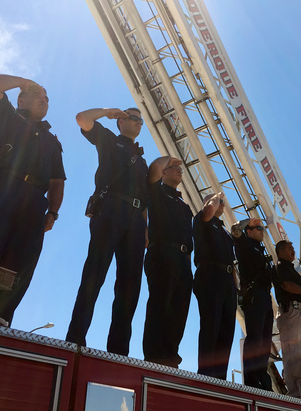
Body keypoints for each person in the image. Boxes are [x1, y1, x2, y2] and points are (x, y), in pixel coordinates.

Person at [0, 74, 65, 326]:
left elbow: (57, 181)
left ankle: (0, 317)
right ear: (21, 99)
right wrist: (24, 80)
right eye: (38, 95)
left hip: (34, 201)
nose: (44, 100)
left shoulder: (52, 141)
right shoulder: (4, 116)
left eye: (47, 98)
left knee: (23, 260)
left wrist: (52, 213)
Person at [66, 107, 148, 356]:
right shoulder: (109, 140)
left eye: (141, 121)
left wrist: (145, 229)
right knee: (95, 273)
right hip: (110, 210)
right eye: (135, 119)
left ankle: (118, 350)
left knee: (130, 285)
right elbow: (81, 118)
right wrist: (107, 112)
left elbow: (144, 199)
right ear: (122, 121)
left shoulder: (142, 160)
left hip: (136, 220)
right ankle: (75, 339)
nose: (139, 124)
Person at [142, 156, 193, 368]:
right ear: (164, 173)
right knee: (160, 305)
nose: (180, 171)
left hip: (183, 260)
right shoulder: (156, 193)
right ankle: (154, 356)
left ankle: (171, 356)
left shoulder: (184, 205)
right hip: (162, 253)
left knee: (179, 310)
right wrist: (167, 159)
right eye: (174, 168)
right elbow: (153, 168)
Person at [192, 192, 237, 379]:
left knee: (227, 331)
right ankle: (205, 375)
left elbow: (232, 262)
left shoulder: (225, 231)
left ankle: (220, 378)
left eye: (223, 201)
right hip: (210, 276)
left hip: (227, 281)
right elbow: (208, 209)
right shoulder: (202, 219)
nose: (222, 203)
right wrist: (214, 197)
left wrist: (235, 285)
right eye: (220, 201)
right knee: (211, 326)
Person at [232, 218, 274, 391]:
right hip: (255, 295)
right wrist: (247, 221)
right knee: (255, 338)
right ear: (249, 231)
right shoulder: (243, 244)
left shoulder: (259, 249)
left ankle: (262, 378)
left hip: (265, 295)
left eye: (262, 228)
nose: (262, 230)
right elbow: (235, 230)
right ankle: (251, 380)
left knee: (265, 341)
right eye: (258, 228)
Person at [274, 240, 301, 400]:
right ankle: (295, 395)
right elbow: (285, 285)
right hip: (292, 311)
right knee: (294, 354)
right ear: (280, 251)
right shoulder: (280, 267)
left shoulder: (290, 269)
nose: (293, 251)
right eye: (290, 248)